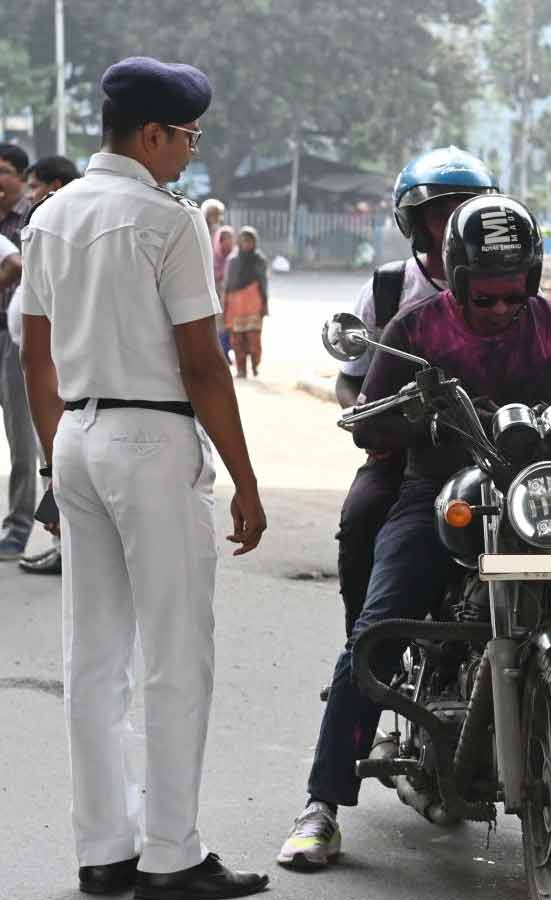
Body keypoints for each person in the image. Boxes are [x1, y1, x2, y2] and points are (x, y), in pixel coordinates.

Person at [277, 194, 551, 879]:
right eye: (487, 297)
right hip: (440, 494)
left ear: (531, 281)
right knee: (378, 630)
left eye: (515, 295)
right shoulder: (417, 326)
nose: (503, 309)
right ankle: (320, 804)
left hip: (537, 497)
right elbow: (368, 423)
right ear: (458, 278)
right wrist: (421, 411)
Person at [19, 56, 269, 899]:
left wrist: (58, 455)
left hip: (80, 436)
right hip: (152, 442)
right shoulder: (171, 221)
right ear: (152, 133)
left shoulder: (51, 215)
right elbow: (203, 364)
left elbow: (35, 352)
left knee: (92, 657)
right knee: (174, 656)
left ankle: (102, 851)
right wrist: (246, 478)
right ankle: (171, 853)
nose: (190, 154)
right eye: (188, 137)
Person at [335, 146, 499, 638]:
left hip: (495, 455)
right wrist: (367, 419)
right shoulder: (389, 288)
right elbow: (350, 378)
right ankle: (361, 653)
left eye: (467, 209)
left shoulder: (513, 286)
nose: (454, 222)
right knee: (361, 517)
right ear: (415, 221)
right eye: (441, 211)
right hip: (406, 454)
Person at [10, 154, 81, 575]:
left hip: (59, 380)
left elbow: (37, 355)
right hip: (49, 378)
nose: (31, 192)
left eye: (35, 184)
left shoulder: (52, 232)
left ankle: (67, 546)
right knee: (52, 461)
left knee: (57, 465)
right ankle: (62, 545)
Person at [0, 142, 36, 561]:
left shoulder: (33, 217)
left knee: (21, 437)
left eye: (5, 170)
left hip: (16, 340)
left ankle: (19, 527)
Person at [223, 226, 267, 378]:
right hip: (236, 305)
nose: (247, 244)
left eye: (250, 241)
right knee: (237, 340)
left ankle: (255, 365)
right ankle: (241, 369)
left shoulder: (259, 260)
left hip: (254, 305)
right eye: (244, 241)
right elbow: (227, 285)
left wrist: (265, 305)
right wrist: (225, 305)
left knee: (254, 339)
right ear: (239, 243)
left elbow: (263, 283)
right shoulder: (233, 260)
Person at [212, 224, 236, 358]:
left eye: (230, 238)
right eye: (224, 238)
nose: (228, 241)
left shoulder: (236, 257)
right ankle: (223, 354)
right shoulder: (213, 258)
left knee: (232, 326)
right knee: (220, 326)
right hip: (218, 297)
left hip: (234, 297)